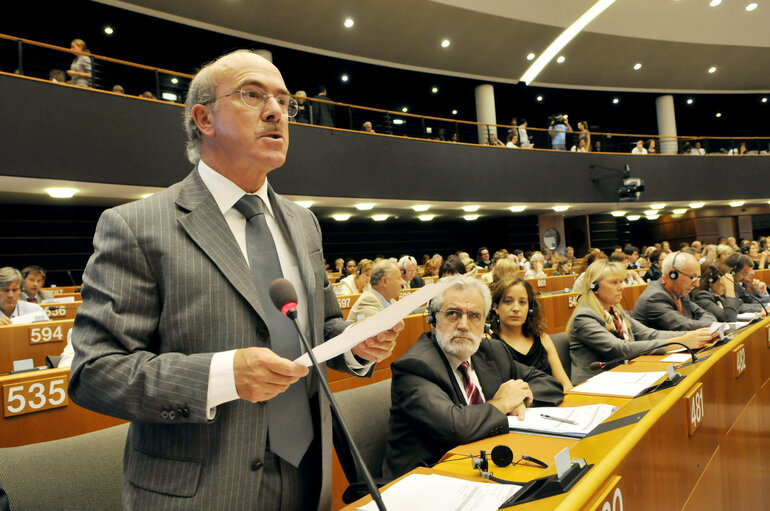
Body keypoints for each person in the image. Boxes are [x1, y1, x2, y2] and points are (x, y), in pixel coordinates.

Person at [68, 50, 401, 510]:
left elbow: (321, 329)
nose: (276, 112)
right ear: (204, 119)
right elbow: (95, 373)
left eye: (285, 102)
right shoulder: (138, 226)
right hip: (203, 490)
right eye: (253, 95)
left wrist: (356, 346)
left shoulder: (303, 223)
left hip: (311, 473)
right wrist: (223, 375)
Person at [383, 276, 563, 478]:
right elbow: (457, 428)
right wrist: (502, 403)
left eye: (474, 315)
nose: (463, 325)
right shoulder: (415, 366)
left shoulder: (493, 351)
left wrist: (521, 399)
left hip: (485, 466)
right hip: (426, 478)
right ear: (433, 320)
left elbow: (549, 384)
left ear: (485, 323)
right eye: (453, 314)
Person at [567, 260, 712, 385]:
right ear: (595, 287)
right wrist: (679, 341)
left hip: (621, 375)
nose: (621, 287)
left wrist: (690, 335)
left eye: (622, 281)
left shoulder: (615, 310)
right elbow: (620, 349)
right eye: (614, 282)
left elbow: (648, 334)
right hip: (594, 384)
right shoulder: (584, 316)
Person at [490, 277, 572, 390]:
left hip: (552, 402)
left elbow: (565, 384)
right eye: (508, 301)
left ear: (530, 308)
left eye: (522, 302)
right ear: (496, 307)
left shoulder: (543, 339)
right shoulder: (489, 343)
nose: (516, 308)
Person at [632, 251, 717, 331]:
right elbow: (685, 326)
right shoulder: (654, 297)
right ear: (673, 274)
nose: (697, 284)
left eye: (698, 278)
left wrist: (711, 324)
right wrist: (712, 325)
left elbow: (707, 315)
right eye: (693, 278)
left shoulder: (680, 292)